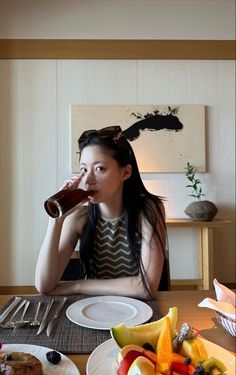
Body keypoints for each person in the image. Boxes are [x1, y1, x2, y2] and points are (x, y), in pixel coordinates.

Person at [35, 126, 168, 300]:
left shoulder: (149, 209)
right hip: (92, 309)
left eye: (99, 169)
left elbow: (146, 287)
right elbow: (44, 285)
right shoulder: (79, 217)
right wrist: (56, 221)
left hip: (139, 311)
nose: (88, 180)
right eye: (84, 169)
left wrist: (77, 285)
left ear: (125, 172)